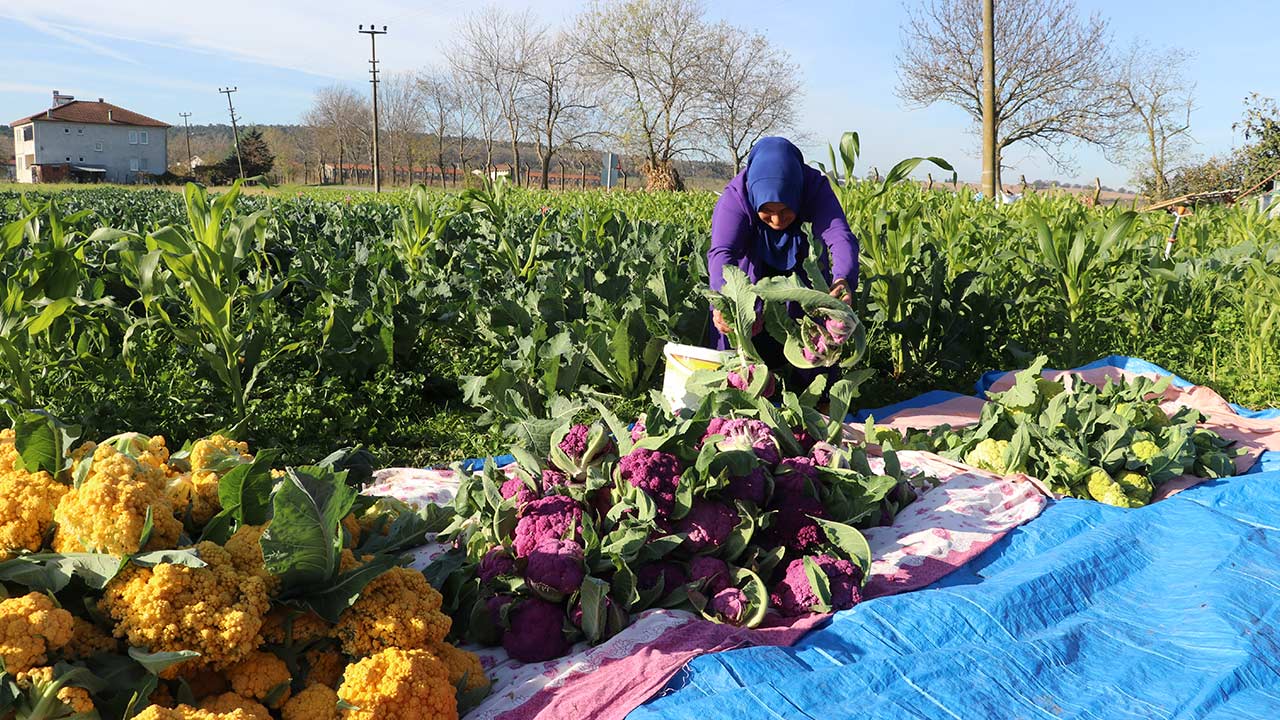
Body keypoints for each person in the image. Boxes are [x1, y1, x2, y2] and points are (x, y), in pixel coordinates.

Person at [707, 136, 859, 371]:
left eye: (786, 209)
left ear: (796, 194)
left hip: (803, 263)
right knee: (744, 329)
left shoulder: (813, 188)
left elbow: (839, 236)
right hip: (753, 267)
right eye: (767, 211)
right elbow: (722, 252)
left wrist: (843, 279)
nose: (777, 220)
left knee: (810, 334)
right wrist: (724, 302)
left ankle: (817, 397)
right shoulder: (737, 196)